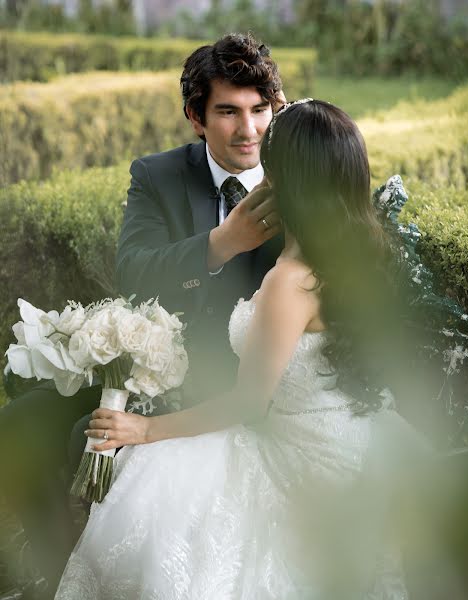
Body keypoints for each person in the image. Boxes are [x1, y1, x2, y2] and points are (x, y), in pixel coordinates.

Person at [56, 100, 429, 599]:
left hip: (299, 455)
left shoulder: (289, 281)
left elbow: (249, 402)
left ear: (279, 178)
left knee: (159, 481)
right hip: (347, 430)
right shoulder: (352, 249)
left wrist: (146, 429)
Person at [0, 32, 285, 595]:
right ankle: (56, 571)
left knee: (91, 436)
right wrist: (222, 242)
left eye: (259, 111)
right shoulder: (158, 175)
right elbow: (134, 272)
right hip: (147, 362)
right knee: (17, 425)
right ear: (195, 117)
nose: (248, 130)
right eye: (228, 112)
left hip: (229, 383)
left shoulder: (292, 176)